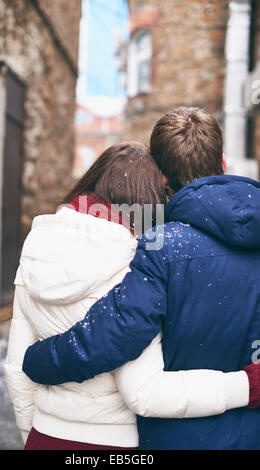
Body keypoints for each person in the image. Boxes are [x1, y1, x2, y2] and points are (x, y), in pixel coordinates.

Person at [22, 108, 260, 450]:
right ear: (223, 163)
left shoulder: (163, 247)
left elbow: (109, 338)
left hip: (181, 438)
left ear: (161, 179)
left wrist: (37, 360)